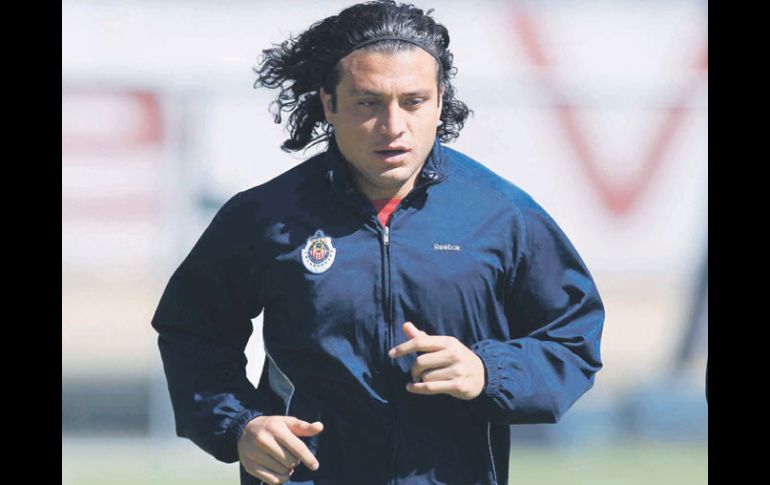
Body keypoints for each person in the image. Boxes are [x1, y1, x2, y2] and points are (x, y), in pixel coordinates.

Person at [151, 1, 605, 484]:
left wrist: (489, 373)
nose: (393, 127)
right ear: (329, 103)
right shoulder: (265, 216)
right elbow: (192, 330)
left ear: (439, 99)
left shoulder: (501, 214)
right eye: (368, 102)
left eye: (413, 101)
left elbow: (572, 338)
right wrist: (240, 424)